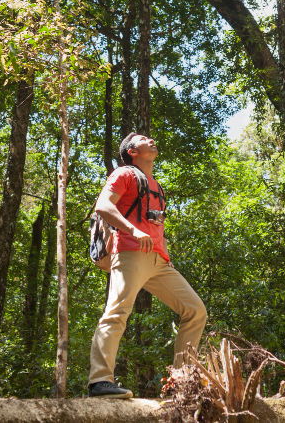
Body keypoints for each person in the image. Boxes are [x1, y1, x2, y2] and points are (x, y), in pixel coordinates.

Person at [87, 132, 207, 398]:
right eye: (143, 139)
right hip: (130, 252)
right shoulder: (124, 174)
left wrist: (164, 253)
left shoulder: (156, 184)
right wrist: (132, 230)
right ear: (132, 151)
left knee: (195, 310)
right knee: (116, 313)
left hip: (159, 261)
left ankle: (182, 384)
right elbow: (103, 206)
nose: (151, 140)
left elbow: (156, 226)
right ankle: (100, 381)